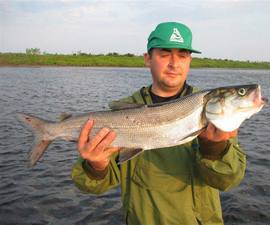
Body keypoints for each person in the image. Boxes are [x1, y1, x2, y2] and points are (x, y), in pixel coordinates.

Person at [72, 22, 246, 225]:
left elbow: (228, 180)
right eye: (165, 54)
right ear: (148, 59)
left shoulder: (214, 108)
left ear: (189, 60)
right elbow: (91, 186)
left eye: (182, 55)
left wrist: (214, 149)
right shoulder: (121, 114)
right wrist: (96, 165)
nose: (174, 63)